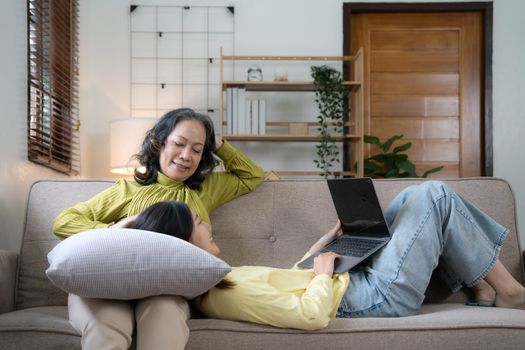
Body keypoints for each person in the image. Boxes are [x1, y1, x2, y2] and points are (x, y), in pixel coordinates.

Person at [130, 182, 525, 331]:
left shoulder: (221, 279)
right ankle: (507, 291)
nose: (207, 225)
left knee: (407, 199)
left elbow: (288, 282)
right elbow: (309, 316)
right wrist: (322, 276)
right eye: (199, 223)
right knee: (433, 195)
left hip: (352, 281)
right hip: (374, 299)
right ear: (181, 242)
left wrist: (324, 246)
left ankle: (483, 287)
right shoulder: (222, 294)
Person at [53, 108, 265, 350]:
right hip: (107, 286)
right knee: (107, 328)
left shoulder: (205, 190)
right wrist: (114, 228)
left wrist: (215, 142)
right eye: (179, 143)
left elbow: (252, 176)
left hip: (168, 290)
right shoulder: (128, 190)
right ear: (158, 142)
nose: (186, 156)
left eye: (197, 150)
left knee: (163, 319)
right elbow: (64, 221)